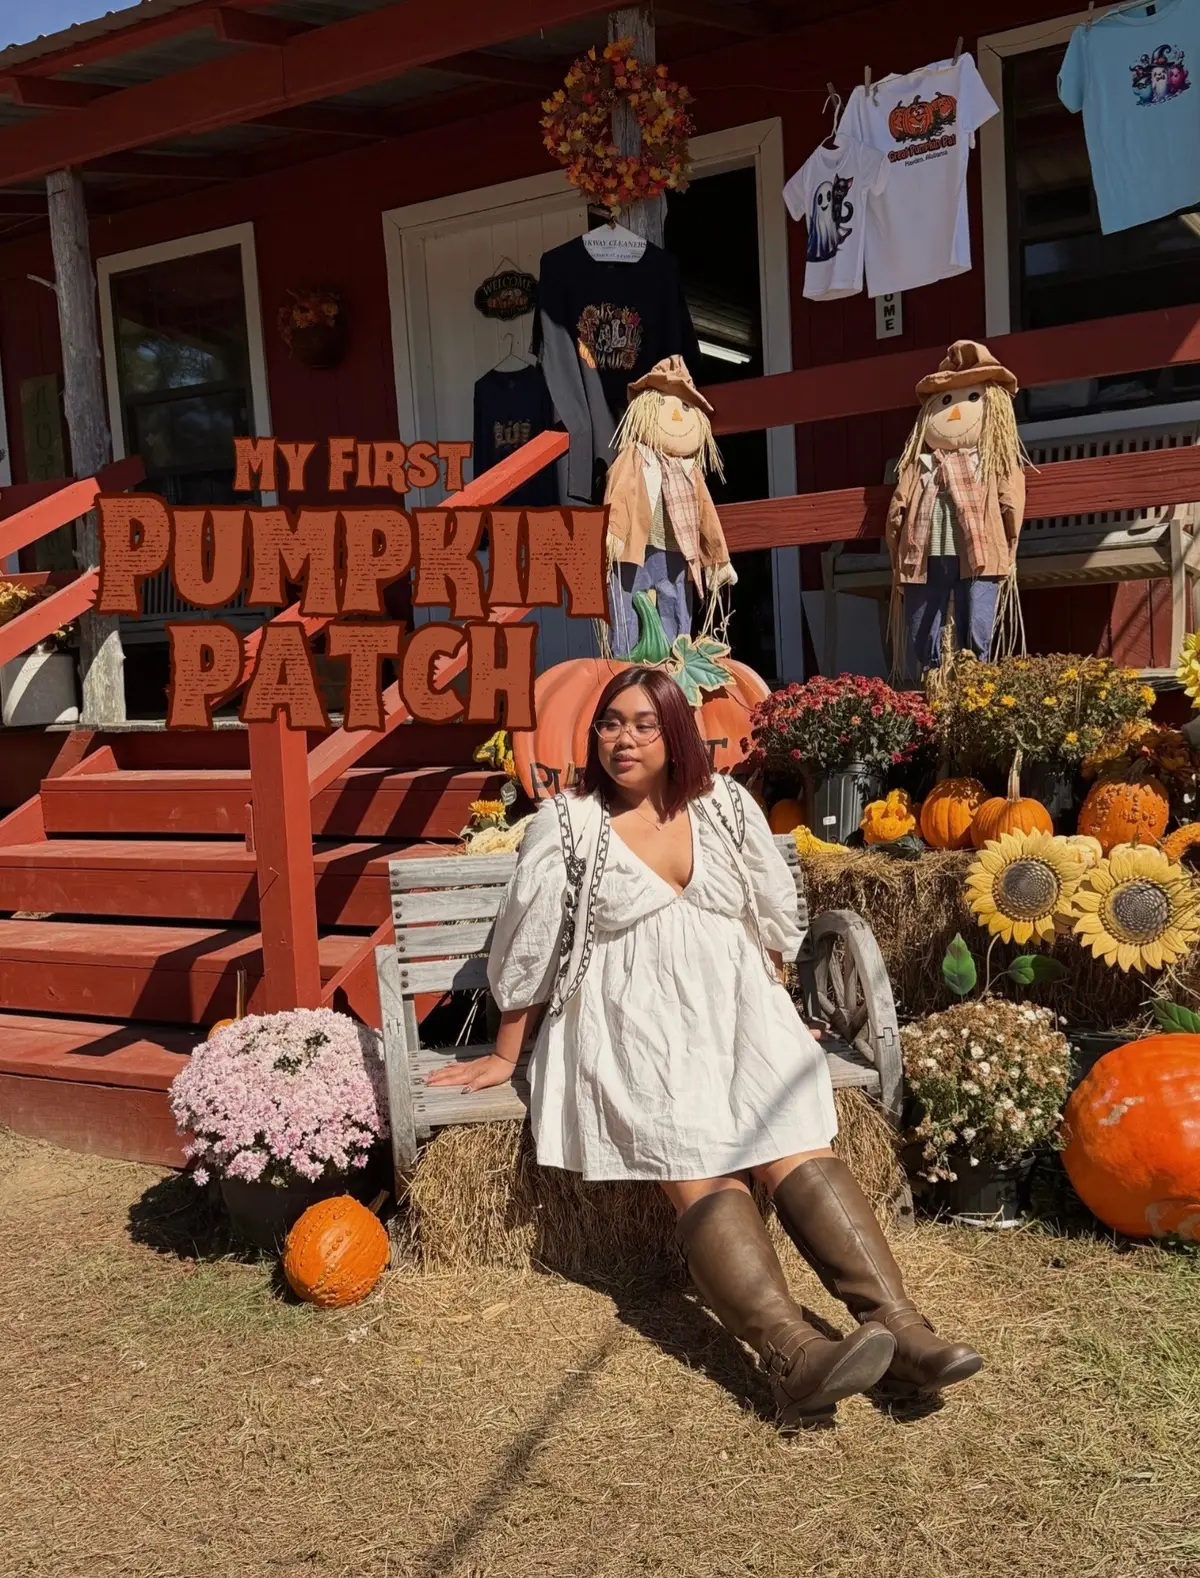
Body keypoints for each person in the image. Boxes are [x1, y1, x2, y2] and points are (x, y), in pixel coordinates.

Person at [425, 667, 981, 1425]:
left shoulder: (721, 808)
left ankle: (902, 1332)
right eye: (610, 724)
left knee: (793, 1142)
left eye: (643, 724)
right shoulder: (568, 825)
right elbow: (530, 948)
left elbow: (769, 915)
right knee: (696, 1157)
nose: (622, 739)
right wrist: (506, 1049)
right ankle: (794, 1355)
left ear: (675, 731)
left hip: (737, 1009)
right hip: (628, 1022)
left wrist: (783, 1010)